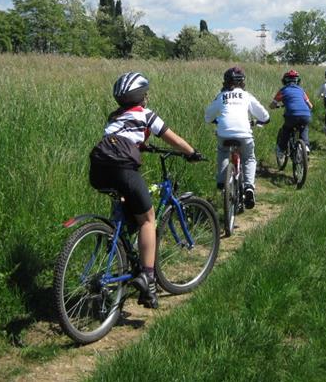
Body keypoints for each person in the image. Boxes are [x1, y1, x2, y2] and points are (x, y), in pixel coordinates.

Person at [89, 71, 202, 309]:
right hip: (123, 169)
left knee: (127, 213)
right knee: (148, 220)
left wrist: (143, 145)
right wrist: (191, 152)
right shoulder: (146, 115)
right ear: (142, 96)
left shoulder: (114, 117)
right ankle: (148, 279)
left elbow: (124, 137)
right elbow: (174, 139)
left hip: (98, 170)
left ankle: (118, 255)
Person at [205, 67, 270, 210]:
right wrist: (262, 121)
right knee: (249, 158)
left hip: (224, 133)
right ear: (242, 81)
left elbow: (208, 117)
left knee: (223, 152)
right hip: (244, 134)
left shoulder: (220, 96)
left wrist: (217, 121)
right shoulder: (247, 96)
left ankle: (222, 182)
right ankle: (249, 187)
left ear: (225, 81)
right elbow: (265, 117)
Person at [270, 69, 313, 159]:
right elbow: (310, 106)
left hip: (292, 115)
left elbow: (272, 105)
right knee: (304, 128)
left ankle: (281, 150)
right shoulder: (301, 90)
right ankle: (305, 146)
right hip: (306, 114)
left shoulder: (283, 90)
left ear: (284, 81)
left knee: (286, 129)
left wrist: (275, 106)